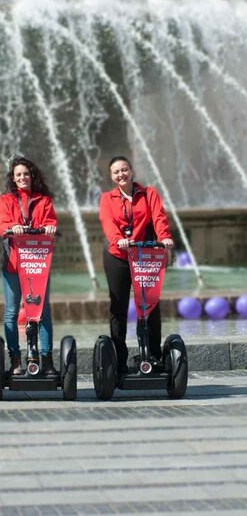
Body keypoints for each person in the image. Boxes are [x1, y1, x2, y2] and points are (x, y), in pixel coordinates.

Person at [99, 156, 173, 374]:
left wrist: (165, 238)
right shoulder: (107, 198)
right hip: (118, 255)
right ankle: (119, 360)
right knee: (118, 307)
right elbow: (108, 222)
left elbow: (159, 218)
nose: (121, 174)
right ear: (112, 176)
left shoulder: (148, 194)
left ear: (131, 171)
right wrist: (118, 240)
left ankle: (153, 355)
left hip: (144, 254)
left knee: (150, 305)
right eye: (116, 172)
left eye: (124, 170)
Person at [0, 156, 58, 376]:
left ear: (32, 176)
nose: (22, 178)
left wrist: (49, 228)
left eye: (26, 174)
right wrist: (11, 227)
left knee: (43, 312)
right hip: (13, 263)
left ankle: (47, 359)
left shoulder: (43, 200)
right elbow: (2, 223)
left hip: (38, 263)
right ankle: (15, 359)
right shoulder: (6, 200)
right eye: (18, 175)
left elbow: (51, 221)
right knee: (12, 312)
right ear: (13, 178)